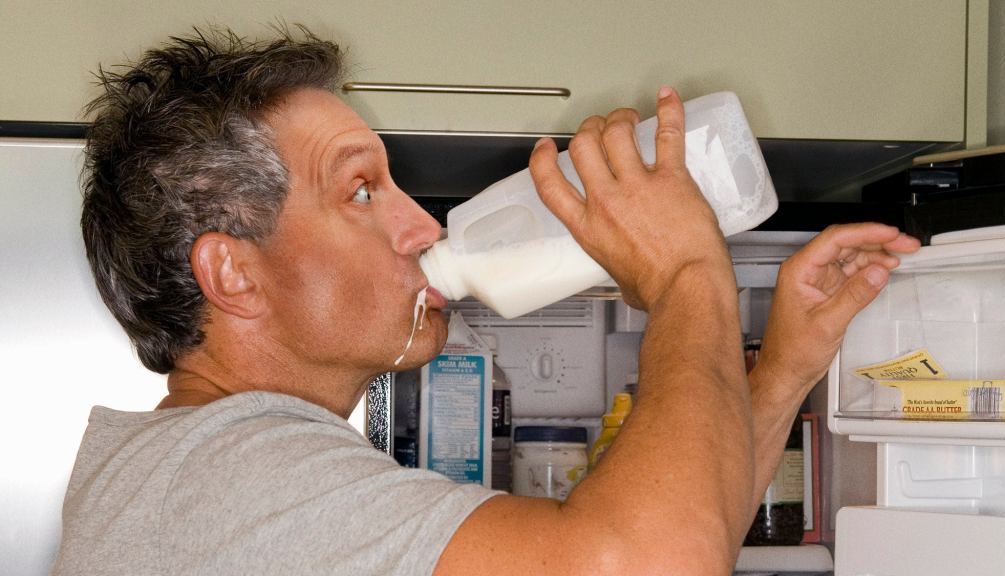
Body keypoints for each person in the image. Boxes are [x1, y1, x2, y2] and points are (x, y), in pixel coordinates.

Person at [52, 26, 920, 575]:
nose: (419, 225)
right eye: (361, 192)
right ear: (232, 274)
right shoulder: (238, 479)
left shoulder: (205, 475)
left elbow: (676, 534)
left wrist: (783, 375)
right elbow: (654, 565)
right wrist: (691, 274)